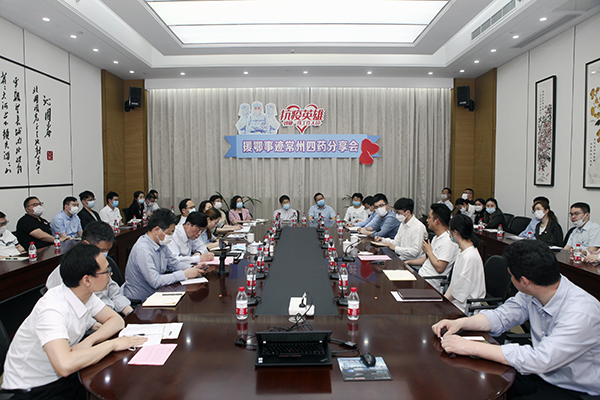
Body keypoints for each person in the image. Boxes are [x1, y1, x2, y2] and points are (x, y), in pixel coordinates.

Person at [432, 240, 600, 398]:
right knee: (476, 382)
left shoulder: (581, 313)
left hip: (574, 388)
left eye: (511, 275)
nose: (511, 280)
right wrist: (461, 322)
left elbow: (541, 358)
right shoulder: (534, 290)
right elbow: (501, 316)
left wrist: (470, 347)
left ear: (524, 281)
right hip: (539, 374)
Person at [1, 244, 146, 398]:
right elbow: (64, 365)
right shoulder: (52, 309)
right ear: (87, 280)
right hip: (34, 388)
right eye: (106, 271)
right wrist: (112, 344)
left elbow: (116, 320)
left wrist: (89, 341)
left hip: (65, 376)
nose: (110, 275)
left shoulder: (84, 294)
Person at [46, 221, 133, 317]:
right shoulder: (68, 270)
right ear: (85, 244)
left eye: (107, 250)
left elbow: (114, 293)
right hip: (89, 320)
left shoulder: (100, 263)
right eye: (101, 250)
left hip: (110, 315)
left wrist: (130, 313)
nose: (104, 254)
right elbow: (77, 310)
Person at [122, 208, 207, 301]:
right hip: (142, 300)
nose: (171, 236)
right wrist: (184, 274)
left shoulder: (161, 244)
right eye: (170, 232)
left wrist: (193, 268)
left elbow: (174, 264)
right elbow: (155, 281)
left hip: (157, 294)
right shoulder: (143, 249)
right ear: (157, 230)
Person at [407, 204, 459, 293]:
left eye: (429, 217)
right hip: (421, 275)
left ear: (437, 221)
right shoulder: (436, 237)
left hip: (431, 283)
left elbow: (440, 268)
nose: (427, 220)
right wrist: (408, 262)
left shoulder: (448, 241)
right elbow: (429, 259)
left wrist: (429, 251)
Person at [443, 213, 485, 312]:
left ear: (455, 232)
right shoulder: (462, 251)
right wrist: (443, 299)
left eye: (450, 231)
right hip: (456, 302)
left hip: (465, 308)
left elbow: (460, 291)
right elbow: (454, 284)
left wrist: (443, 303)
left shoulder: (470, 256)